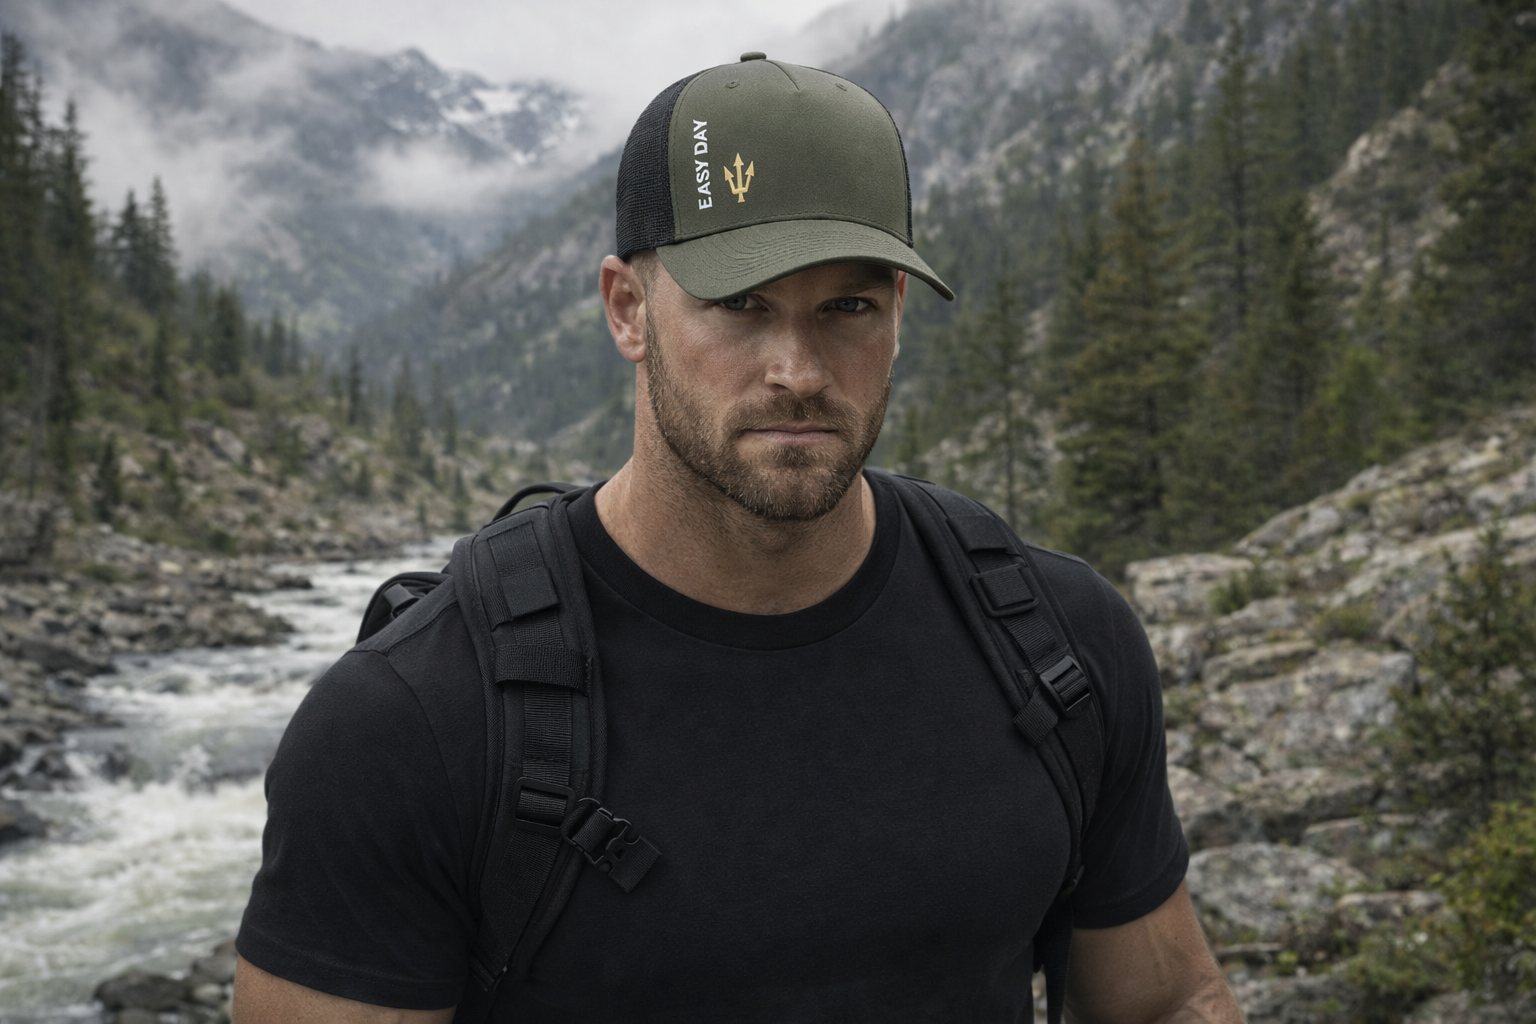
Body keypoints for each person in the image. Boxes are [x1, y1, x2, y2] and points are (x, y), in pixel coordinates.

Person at [232, 53, 1243, 1023]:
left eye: (844, 305)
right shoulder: (411, 722)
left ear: (896, 313)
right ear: (628, 309)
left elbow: (1165, 1001)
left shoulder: (1058, 646)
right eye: (740, 305)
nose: (798, 368)